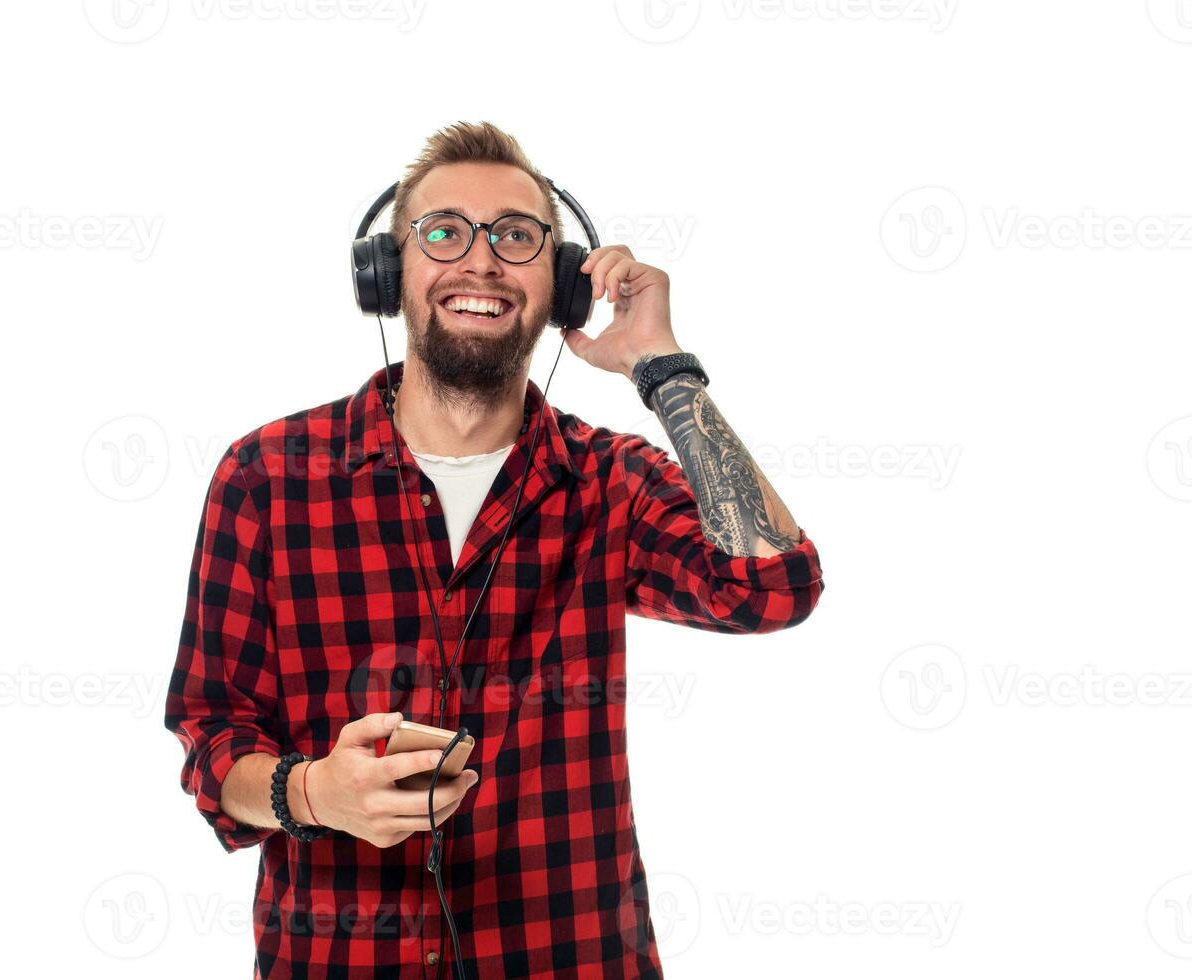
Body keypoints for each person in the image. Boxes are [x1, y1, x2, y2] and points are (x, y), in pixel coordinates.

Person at [165, 120, 826, 979]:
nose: (480, 262)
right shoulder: (268, 475)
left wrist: (660, 366)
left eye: (517, 237)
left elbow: (774, 585)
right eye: (443, 231)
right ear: (386, 272)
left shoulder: (608, 479)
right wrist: (311, 792)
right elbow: (214, 739)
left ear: (561, 287)